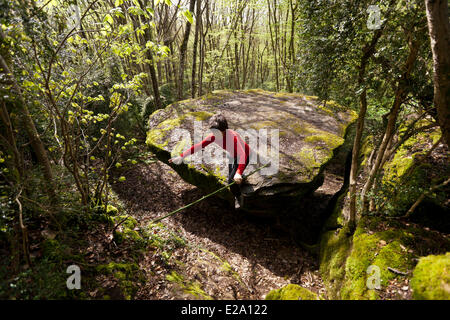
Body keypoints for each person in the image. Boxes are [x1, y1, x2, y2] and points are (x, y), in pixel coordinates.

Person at [169, 113, 250, 209]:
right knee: (232, 177)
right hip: (232, 155)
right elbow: (198, 146)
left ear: (224, 130)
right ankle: (238, 181)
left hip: (244, 156)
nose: (215, 134)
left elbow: (242, 155)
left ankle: (239, 196)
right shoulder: (213, 137)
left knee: (230, 181)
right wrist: (181, 157)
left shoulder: (233, 137)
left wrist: (238, 172)